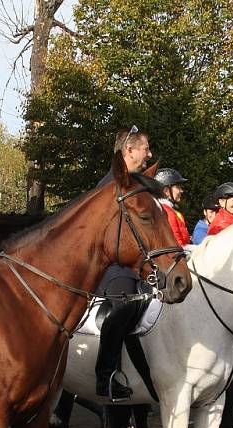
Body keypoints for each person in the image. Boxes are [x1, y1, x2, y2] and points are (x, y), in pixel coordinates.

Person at [94, 126, 153, 400]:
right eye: (145, 148)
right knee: (125, 305)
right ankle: (105, 377)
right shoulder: (109, 187)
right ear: (128, 151)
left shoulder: (136, 185)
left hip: (138, 266)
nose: (149, 154)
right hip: (114, 268)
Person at [155, 168, 191, 246]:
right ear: (166, 191)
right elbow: (177, 244)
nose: (181, 191)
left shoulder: (168, 210)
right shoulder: (166, 212)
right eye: (178, 187)